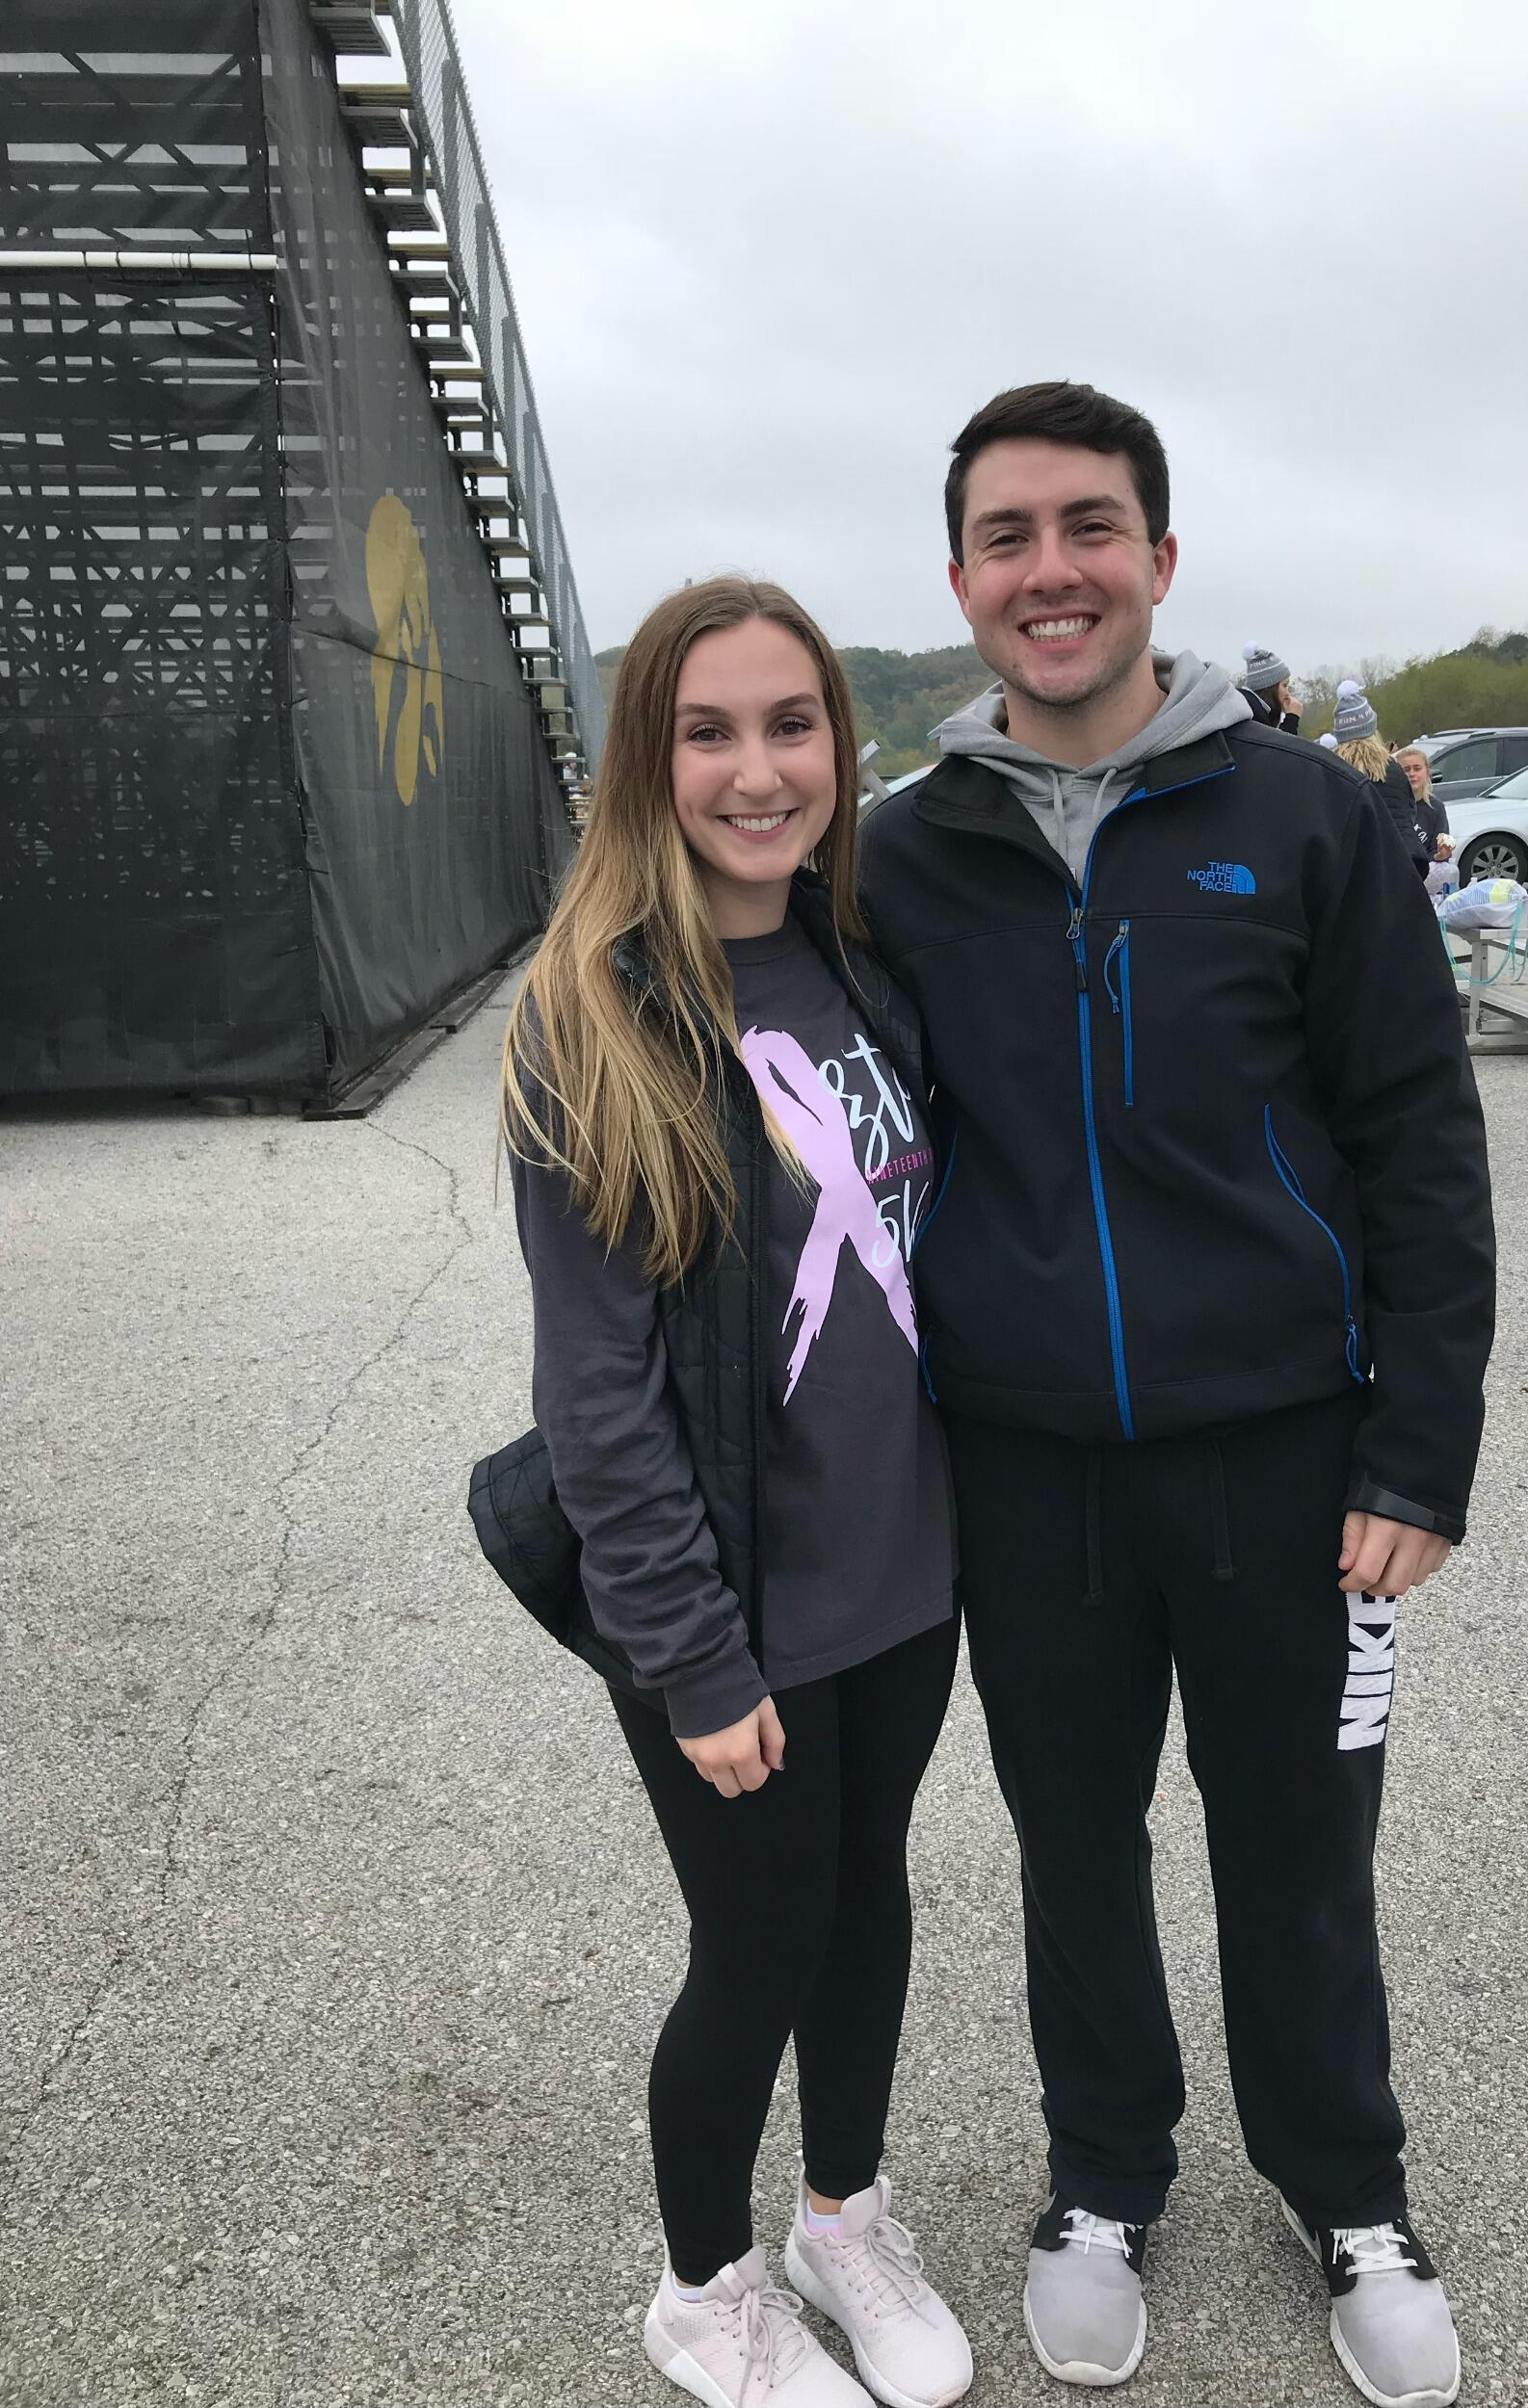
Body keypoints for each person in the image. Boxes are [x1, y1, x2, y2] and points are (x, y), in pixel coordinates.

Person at [859, 382, 1493, 2408]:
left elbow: (1418, 1138)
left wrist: (1420, 1444)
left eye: (1089, 526)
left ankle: (1348, 2187)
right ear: (960, 574)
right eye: (1008, 535)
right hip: (1023, 1460)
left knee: (1297, 1845)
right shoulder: (902, 855)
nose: (1050, 570)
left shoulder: (1304, 817)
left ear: (1158, 555)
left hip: (1287, 1451)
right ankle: (1103, 2178)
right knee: (1072, 1843)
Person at [502, 577, 972, 2408]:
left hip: (901, 1572)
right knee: (760, 1941)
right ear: (650, 759)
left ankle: (843, 2215)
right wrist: (689, 1655)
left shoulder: (862, 962)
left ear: (840, 749)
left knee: (868, 1905)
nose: (758, 770)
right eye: (709, 731)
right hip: (728, 1606)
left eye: (793, 725)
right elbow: (595, 1393)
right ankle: (705, 2288)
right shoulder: (590, 1017)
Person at [1334, 681, 1426, 871]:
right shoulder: (1392, 767)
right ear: (1372, 728)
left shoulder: (1334, 769)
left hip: (1357, 865)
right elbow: (1409, 811)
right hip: (1402, 859)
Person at [1396, 745, 1452, 876]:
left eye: (1417, 768)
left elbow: (1437, 851)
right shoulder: (1391, 805)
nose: (1412, 774)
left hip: (1424, 875)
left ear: (1427, 773)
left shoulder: (1436, 808)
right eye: (1406, 770)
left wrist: (1441, 855)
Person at [1238, 641, 1302, 733]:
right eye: (1285, 685)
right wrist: (1292, 718)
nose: (1287, 693)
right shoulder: (1253, 717)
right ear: (1270, 687)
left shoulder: (1248, 708)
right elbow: (1277, 742)